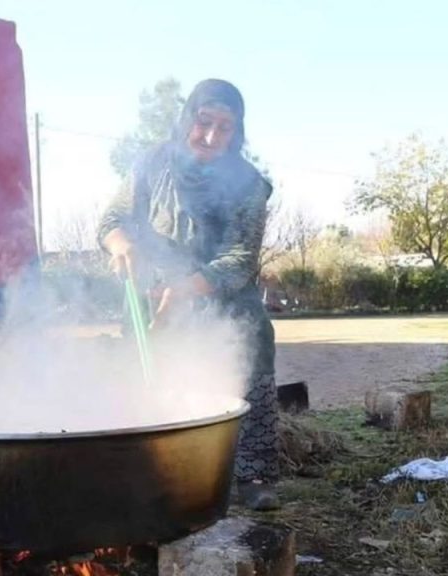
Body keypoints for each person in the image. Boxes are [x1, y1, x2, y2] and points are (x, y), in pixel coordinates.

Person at [97, 78, 281, 511]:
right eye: (204, 122)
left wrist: (186, 291)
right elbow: (111, 220)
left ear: (237, 133)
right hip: (154, 300)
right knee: (147, 384)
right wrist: (121, 243)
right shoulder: (151, 165)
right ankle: (154, 473)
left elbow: (240, 258)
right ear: (187, 119)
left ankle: (252, 475)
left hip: (224, 302)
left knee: (245, 372)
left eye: (225, 127)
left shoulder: (248, 183)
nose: (212, 136)